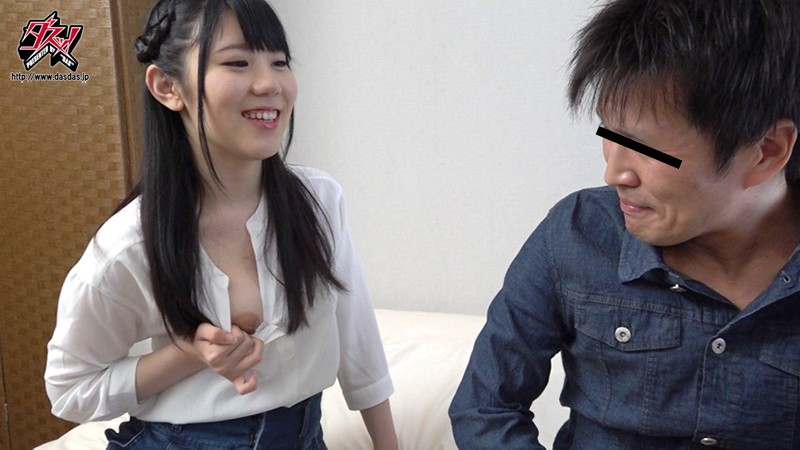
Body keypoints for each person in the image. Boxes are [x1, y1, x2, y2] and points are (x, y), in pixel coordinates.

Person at [44, 0, 397, 448]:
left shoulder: (320, 201)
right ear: (167, 87)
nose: (269, 84)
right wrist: (190, 354)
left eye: (279, 62)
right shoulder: (129, 245)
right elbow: (69, 390)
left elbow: (360, 346)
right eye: (237, 63)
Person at [450, 1, 800, 449]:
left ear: (767, 151)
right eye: (609, 134)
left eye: (646, 149)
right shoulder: (576, 234)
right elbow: (484, 409)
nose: (614, 173)